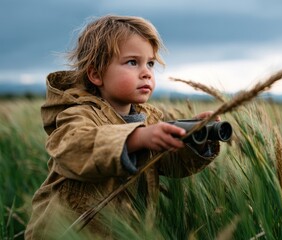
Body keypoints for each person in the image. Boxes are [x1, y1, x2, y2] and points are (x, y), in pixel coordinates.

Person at [25, 15, 221, 239]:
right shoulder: (78, 114)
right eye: (132, 62)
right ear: (96, 74)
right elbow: (73, 148)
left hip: (126, 231)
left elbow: (170, 164)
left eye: (150, 63)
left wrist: (194, 140)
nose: (146, 72)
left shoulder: (149, 119)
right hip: (70, 231)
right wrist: (135, 139)